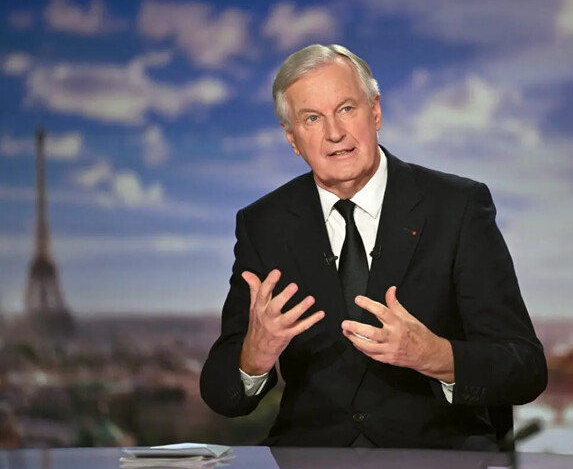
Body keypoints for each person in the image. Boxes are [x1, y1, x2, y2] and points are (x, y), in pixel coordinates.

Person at [200, 43, 547, 450]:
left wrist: (434, 355)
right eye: (312, 118)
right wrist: (253, 357)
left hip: (437, 457)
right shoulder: (264, 224)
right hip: (312, 459)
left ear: (375, 112)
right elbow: (219, 390)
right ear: (293, 138)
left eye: (346, 109)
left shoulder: (457, 207)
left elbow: (525, 368)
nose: (334, 134)